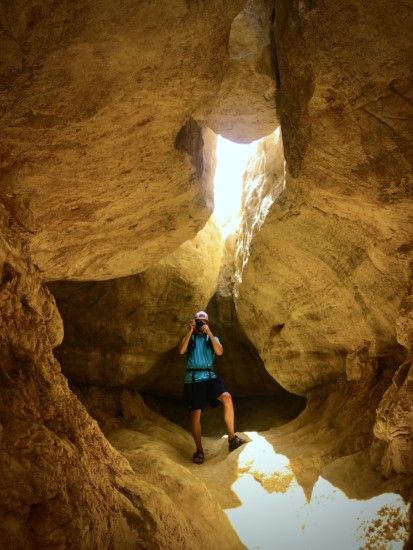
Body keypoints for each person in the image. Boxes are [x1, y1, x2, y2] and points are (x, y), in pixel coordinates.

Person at [178, 310, 245, 464]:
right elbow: (181, 351)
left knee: (227, 397)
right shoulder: (190, 337)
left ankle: (232, 438)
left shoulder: (212, 338)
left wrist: (209, 332)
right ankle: (199, 451)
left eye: (204, 321)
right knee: (195, 413)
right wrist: (190, 331)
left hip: (209, 376)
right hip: (193, 379)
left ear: (207, 323)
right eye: (199, 321)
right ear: (194, 322)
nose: (201, 323)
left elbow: (219, 352)